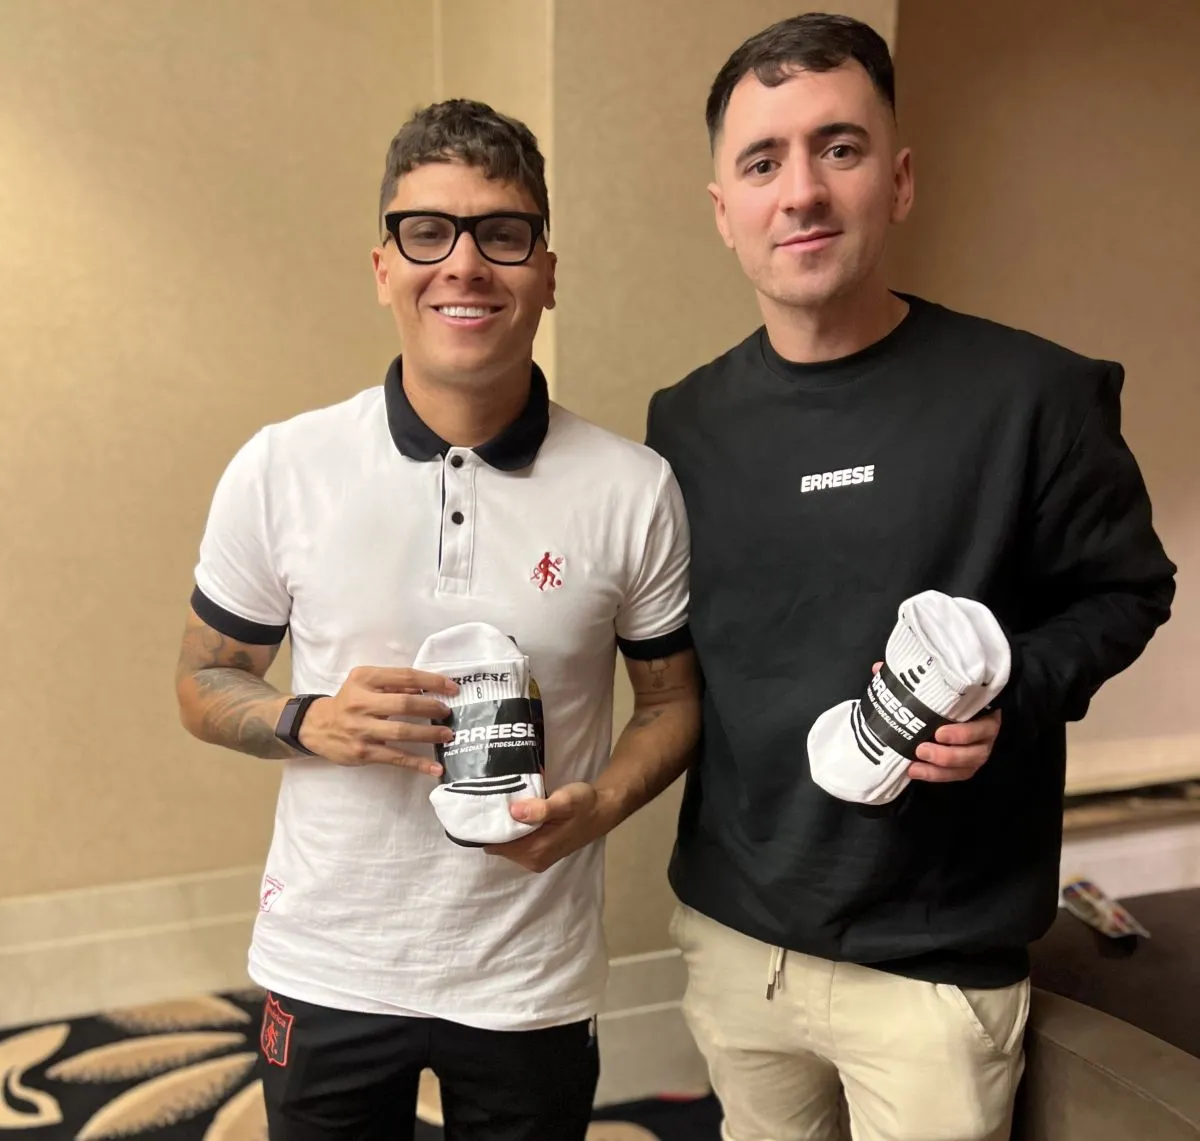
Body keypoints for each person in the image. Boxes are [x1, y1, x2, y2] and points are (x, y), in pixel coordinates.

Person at [644, 13, 1176, 1141]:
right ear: (724, 211)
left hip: (935, 962)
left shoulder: (1033, 397)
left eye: (837, 148)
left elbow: (1128, 591)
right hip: (738, 941)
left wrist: (1013, 691)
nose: (801, 191)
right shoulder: (682, 423)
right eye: (762, 162)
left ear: (898, 180)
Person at [175, 99, 701, 1141]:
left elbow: (673, 701)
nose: (463, 264)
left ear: (547, 271)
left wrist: (600, 805)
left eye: (502, 233)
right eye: (427, 232)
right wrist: (306, 720)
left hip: (528, 975)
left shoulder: (633, 488)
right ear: (384, 267)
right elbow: (201, 681)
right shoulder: (283, 467)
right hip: (329, 959)